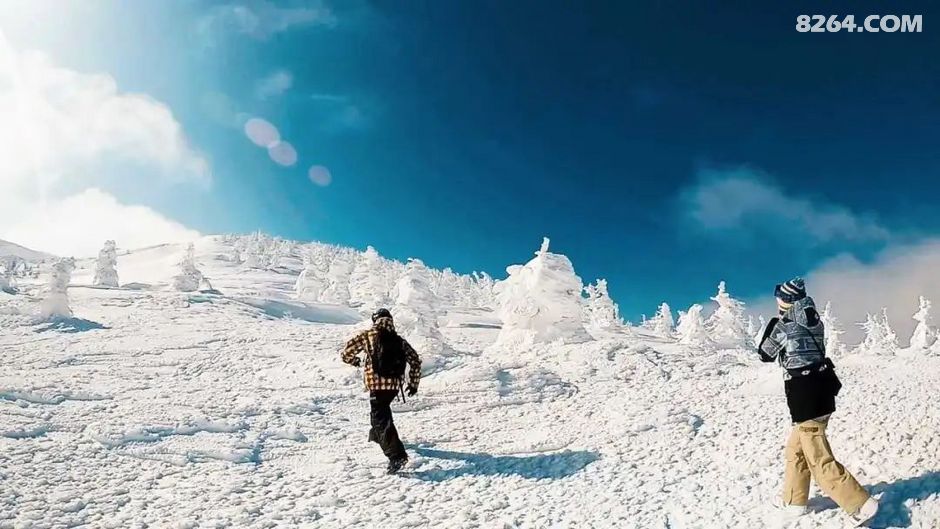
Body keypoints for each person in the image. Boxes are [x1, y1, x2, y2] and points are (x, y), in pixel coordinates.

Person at [757, 278, 879, 526]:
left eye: (779, 298)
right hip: (822, 390)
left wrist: (774, 323)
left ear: (786, 300)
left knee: (818, 457)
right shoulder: (814, 319)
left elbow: (765, 354)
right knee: (796, 450)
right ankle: (794, 501)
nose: (776, 301)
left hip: (805, 396)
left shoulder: (786, 325)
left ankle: (861, 504)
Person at [342, 308, 422, 474]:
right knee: (380, 415)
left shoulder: (367, 335)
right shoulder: (399, 340)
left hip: (376, 385)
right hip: (394, 387)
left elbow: (346, 353)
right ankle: (378, 437)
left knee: (381, 419)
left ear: (375, 320)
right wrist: (413, 383)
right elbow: (415, 360)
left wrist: (356, 361)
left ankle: (396, 455)